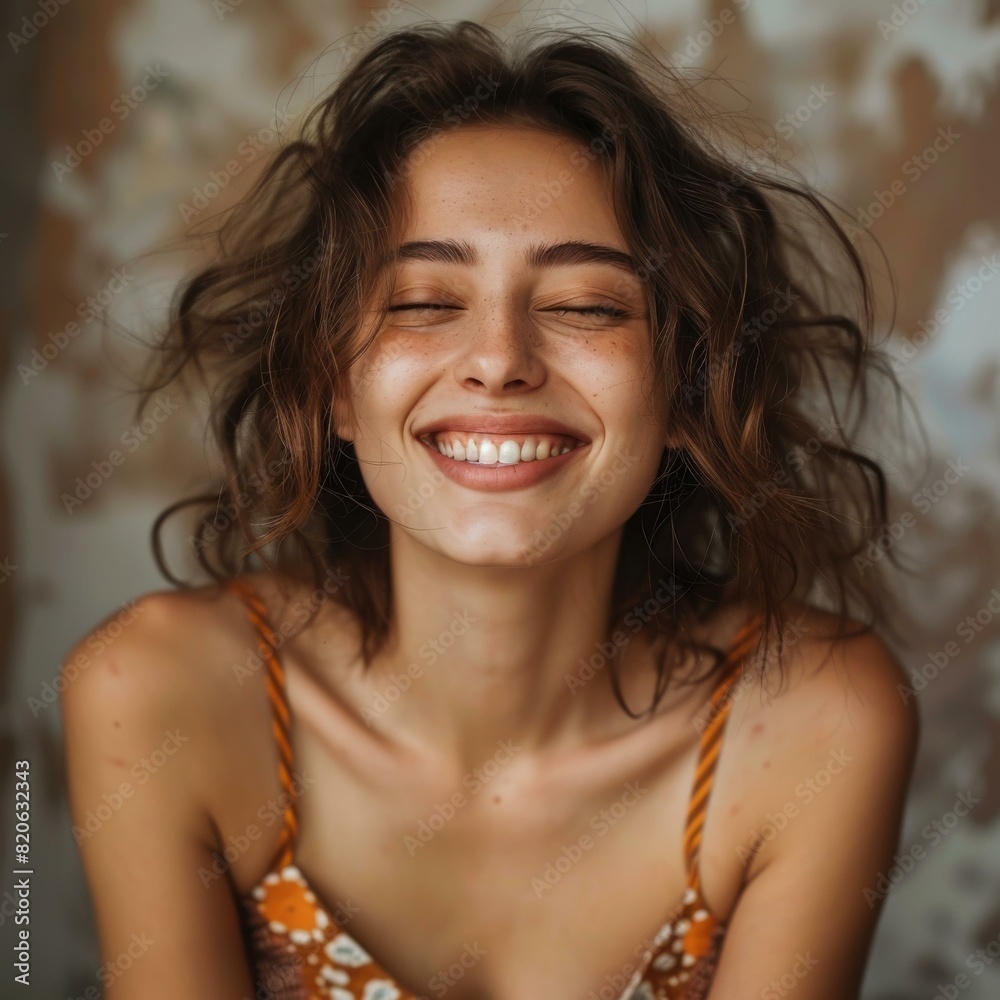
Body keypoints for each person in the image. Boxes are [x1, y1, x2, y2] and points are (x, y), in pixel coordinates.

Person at [60, 19, 921, 1000]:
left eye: (587, 305)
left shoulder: (818, 717)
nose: (500, 358)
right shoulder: (158, 694)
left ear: (687, 392)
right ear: (333, 385)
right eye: (424, 301)